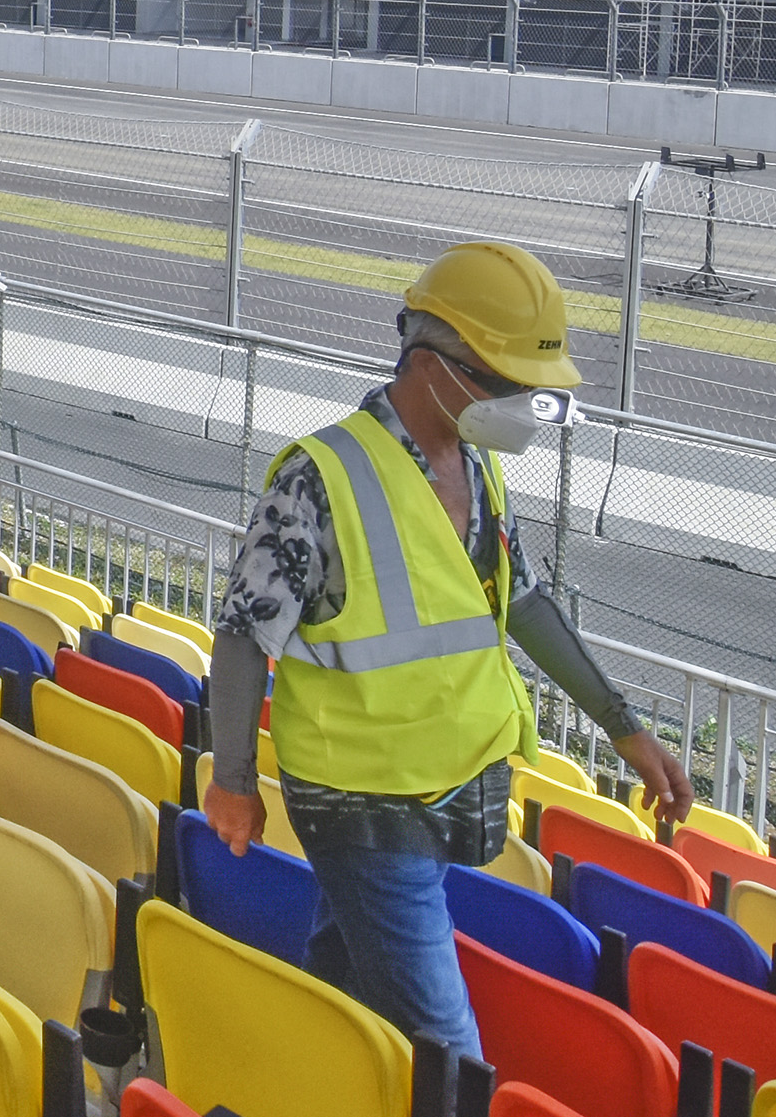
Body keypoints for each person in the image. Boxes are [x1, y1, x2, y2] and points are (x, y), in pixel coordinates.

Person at [202, 240, 692, 1060]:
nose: (523, 406)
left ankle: (307, 1100)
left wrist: (624, 727)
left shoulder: (478, 470)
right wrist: (231, 784)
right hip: (364, 802)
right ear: (431, 366)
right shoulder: (320, 480)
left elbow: (523, 601)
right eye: (507, 385)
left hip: (452, 788)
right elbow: (245, 637)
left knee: (345, 973)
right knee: (444, 1042)